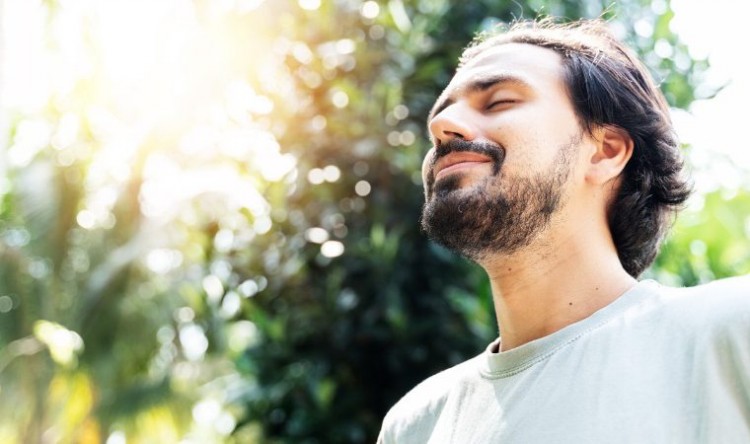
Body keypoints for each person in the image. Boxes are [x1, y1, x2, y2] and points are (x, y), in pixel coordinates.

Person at [378, 18, 750, 443]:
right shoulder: (414, 424)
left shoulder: (732, 327)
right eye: (441, 113)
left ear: (606, 152)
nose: (442, 126)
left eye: (498, 101)